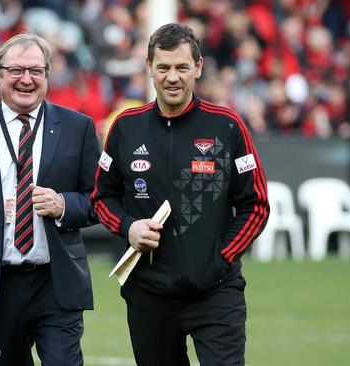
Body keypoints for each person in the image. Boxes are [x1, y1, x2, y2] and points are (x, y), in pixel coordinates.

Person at [91, 23, 270, 366]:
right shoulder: (125, 127)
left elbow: (256, 206)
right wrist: (128, 227)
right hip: (148, 295)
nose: (172, 77)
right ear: (149, 68)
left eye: (182, 67)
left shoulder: (227, 125)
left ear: (198, 67)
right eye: (163, 67)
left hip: (216, 292)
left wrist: (219, 259)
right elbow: (101, 198)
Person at [0, 33, 100, 366]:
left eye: (36, 71)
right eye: (16, 70)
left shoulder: (78, 127)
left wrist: (64, 205)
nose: (26, 79)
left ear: (47, 75)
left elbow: (99, 201)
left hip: (55, 283)